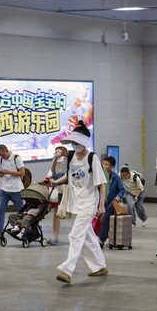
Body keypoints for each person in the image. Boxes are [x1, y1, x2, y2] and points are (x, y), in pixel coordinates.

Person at [50, 120, 108, 284]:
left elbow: (101, 183)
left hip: (89, 203)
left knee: (75, 235)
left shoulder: (92, 158)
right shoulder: (70, 156)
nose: (74, 145)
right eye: (73, 142)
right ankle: (99, 266)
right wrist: (56, 161)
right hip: (76, 203)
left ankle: (67, 270)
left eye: (77, 142)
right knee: (87, 235)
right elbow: (60, 173)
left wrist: (101, 205)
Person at [0, 145, 25, 238]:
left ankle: (25, 227)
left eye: (3, 155)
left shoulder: (16, 158)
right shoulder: (1, 159)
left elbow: (22, 173)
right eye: (0, 155)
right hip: (5, 189)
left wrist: (9, 172)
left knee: (21, 210)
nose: (2, 157)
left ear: (6, 151)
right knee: (0, 209)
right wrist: (0, 174)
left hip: (16, 189)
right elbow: (2, 175)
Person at [39, 146, 68, 245]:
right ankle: (55, 237)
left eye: (58, 152)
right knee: (56, 213)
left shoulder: (67, 160)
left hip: (66, 190)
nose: (56, 153)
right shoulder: (55, 161)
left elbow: (66, 175)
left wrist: (56, 180)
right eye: (55, 152)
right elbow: (51, 172)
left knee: (69, 213)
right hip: (56, 190)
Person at [98, 156, 125, 248]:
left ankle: (101, 240)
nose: (103, 166)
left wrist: (117, 197)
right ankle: (96, 238)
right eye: (103, 164)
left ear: (112, 167)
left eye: (106, 164)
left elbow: (122, 189)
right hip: (99, 201)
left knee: (105, 219)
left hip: (110, 203)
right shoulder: (99, 176)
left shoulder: (116, 177)